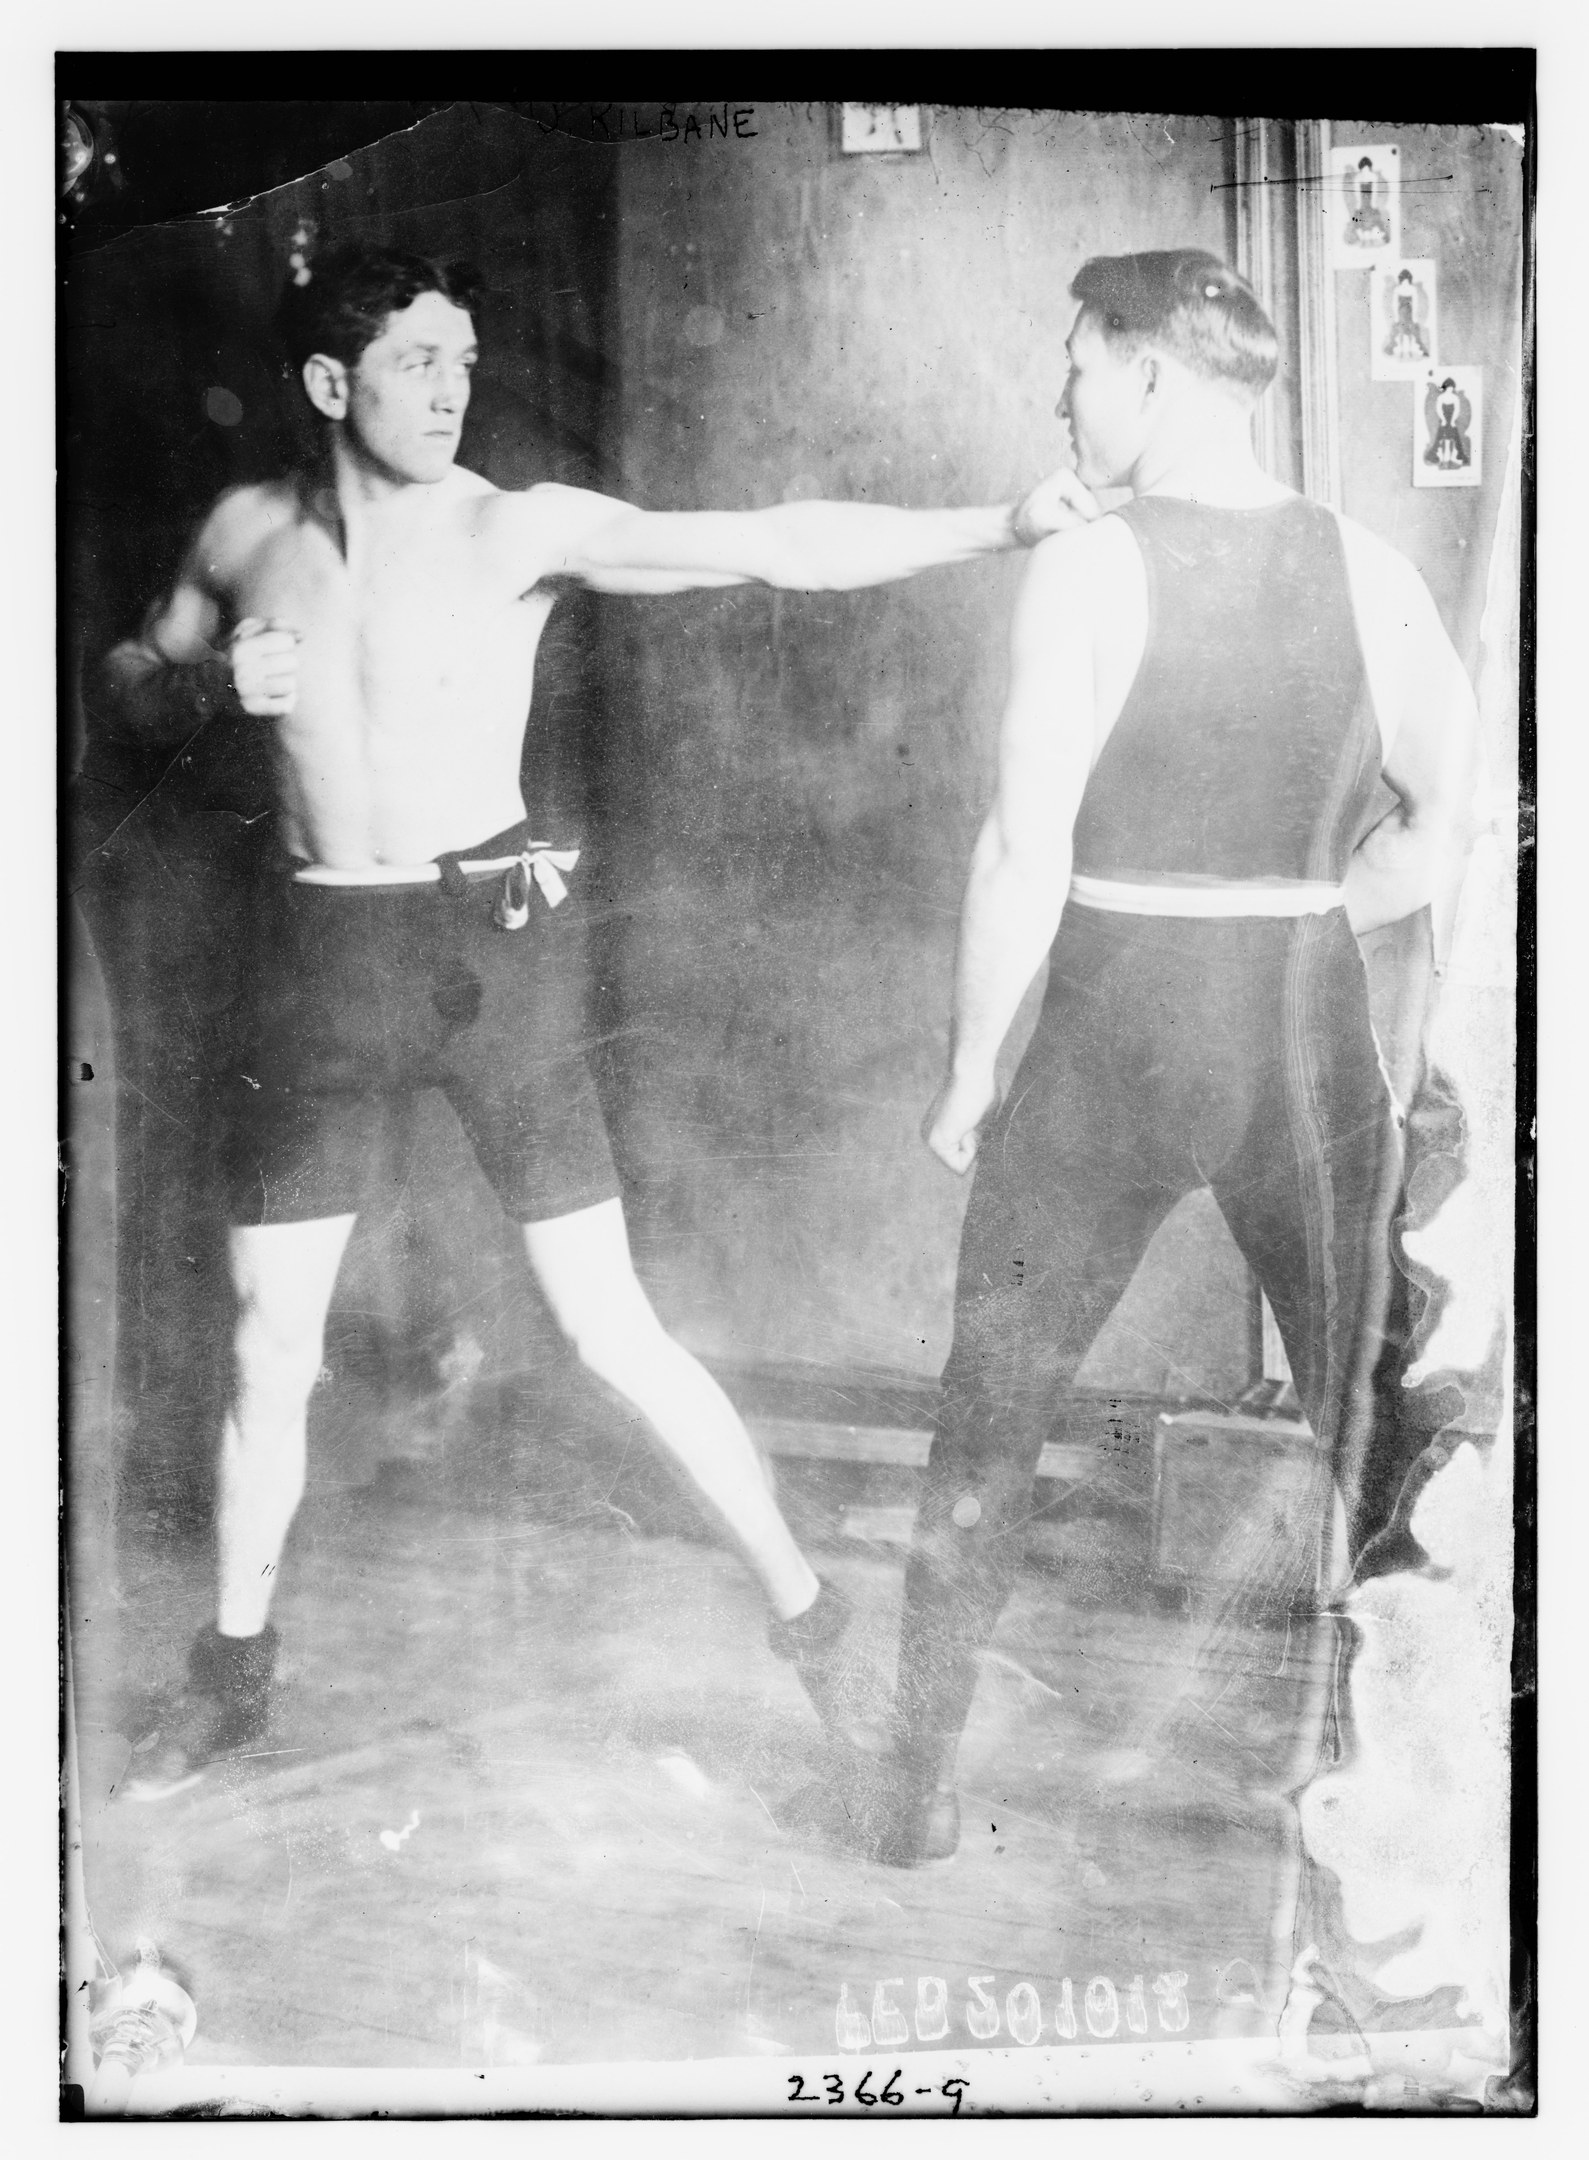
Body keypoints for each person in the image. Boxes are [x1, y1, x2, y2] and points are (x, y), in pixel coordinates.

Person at [101, 242, 1091, 1801]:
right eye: (417, 361)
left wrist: (998, 526)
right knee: (265, 1343)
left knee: (609, 1325)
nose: (453, 388)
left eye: (463, 361)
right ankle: (231, 1681)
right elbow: (126, 679)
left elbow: (772, 545)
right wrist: (209, 690)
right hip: (320, 958)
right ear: (325, 383)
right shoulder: (245, 534)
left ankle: (820, 1630)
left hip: (490, 956)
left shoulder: (516, 530)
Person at [872, 249, 1479, 1866]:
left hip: (1110, 1026)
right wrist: (1307, 916)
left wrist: (964, 1072)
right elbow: (1438, 819)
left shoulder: (1087, 568)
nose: (1058, 391)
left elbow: (1019, 848)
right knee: (1381, 1417)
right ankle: (1440, 1794)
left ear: (1151, 376)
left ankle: (914, 1788)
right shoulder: (1373, 570)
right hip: (1293, 1025)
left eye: (1077, 362)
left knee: (990, 1409)